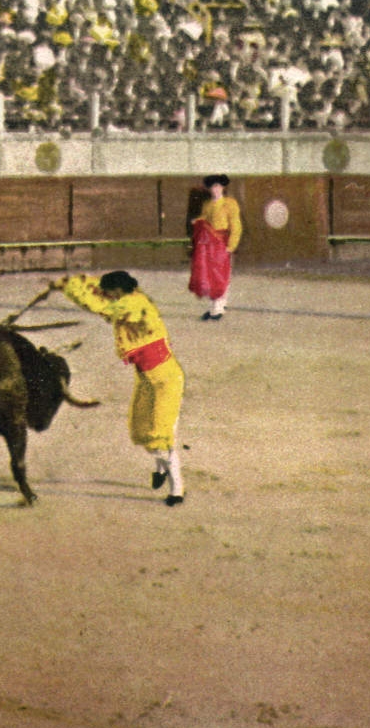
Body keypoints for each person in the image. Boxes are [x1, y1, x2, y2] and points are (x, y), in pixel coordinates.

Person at [52, 271, 186, 506]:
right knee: (141, 429)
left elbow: (99, 306)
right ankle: (161, 469)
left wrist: (69, 289)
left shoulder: (133, 304)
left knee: (159, 437)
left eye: (110, 293)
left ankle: (177, 488)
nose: (108, 296)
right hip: (148, 377)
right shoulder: (129, 298)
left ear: (119, 291)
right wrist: (69, 284)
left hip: (166, 379)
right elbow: (97, 290)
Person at [187, 173, 242, 321]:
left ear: (222, 187)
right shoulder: (208, 204)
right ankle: (217, 307)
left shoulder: (230, 203)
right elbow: (205, 219)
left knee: (221, 274)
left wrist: (231, 245)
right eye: (212, 187)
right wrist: (197, 222)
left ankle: (219, 307)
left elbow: (236, 225)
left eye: (217, 186)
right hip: (210, 244)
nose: (215, 189)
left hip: (222, 242)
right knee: (212, 275)